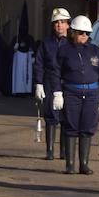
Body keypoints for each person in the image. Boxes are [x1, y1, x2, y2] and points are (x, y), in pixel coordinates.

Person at [47, 14, 99, 175]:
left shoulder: (95, 51)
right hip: (71, 92)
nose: (84, 36)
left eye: (87, 33)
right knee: (71, 126)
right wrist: (57, 93)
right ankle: (69, 165)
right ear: (73, 32)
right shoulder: (64, 50)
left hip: (92, 93)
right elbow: (55, 72)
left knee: (88, 126)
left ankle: (84, 164)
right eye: (81, 32)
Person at [34, 9, 71, 160]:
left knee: (66, 117)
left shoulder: (72, 43)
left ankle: (63, 152)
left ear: (68, 25)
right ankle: (49, 151)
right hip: (49, 82)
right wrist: (39, 83)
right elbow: (39, 63)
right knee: (51, 115)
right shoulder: (46, 43)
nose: (59, 25)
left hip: (68, 83)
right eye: (56, 22)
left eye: (62, 22)